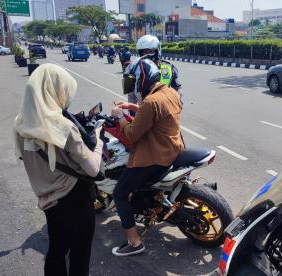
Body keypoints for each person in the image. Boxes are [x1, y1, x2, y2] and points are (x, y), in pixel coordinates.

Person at [14, 64, 104, 275]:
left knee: (57, 249)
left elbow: (25, 156)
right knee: (80, 255)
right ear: (55, 90)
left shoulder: (20, 124)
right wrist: (98, 138)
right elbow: (92, 169)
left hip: (48, 199)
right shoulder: (63, 127)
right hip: (76, 198)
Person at [110, 58, 184, 256]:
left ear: (141, 80)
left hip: (154, 157)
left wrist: (118, 117)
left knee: (119, 194)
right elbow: (157, 113)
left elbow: (133, 133)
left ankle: (135, 242)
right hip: (174, 149)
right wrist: (134, 108)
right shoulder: (170, 92)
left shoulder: (150, 102)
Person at [125, 35, 182, 114]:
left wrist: (177, 104)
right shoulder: (134, 68)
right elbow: (130, 94)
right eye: (145, 52)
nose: (148, 55)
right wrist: (132, 113)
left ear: (157, 51)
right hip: (144, 111)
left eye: (151, 52)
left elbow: (177, 88)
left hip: (165, 111)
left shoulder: (167, 68)